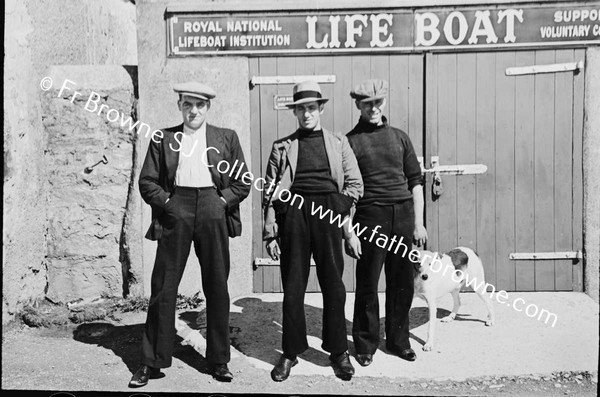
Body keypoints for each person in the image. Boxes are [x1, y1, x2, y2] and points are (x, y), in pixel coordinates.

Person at [130, 81, 251, 387]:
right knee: (163, 286)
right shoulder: (164, 138)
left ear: (208, 107)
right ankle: (151, 361)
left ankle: (219, 360)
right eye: (188, 105)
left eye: (199, 105)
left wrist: (222, 201)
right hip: (177, 208)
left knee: (216, 285)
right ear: (180, 106)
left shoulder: (226, 138)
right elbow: (147, 181)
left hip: (213, 207)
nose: (193, 111)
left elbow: (243, 181)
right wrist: (168, 203)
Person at [263, 81, 363, 381]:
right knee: (293, 287)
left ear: (321, 108)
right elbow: (269, 193)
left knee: (334, 285)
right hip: (294, 216)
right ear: (295, 112)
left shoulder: (338, 142)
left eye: (311, 108)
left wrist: (338, 209)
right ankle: (291, 352)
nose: (306, 114)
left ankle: (338, 352)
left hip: (327, 215)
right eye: (300, 109)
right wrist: (270, 232)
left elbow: (355, 185)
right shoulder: (282, 146)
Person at [345, 79, 428, 367]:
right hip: (371, 218)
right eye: (367, 103)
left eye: (378, 102)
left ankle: (398, 341)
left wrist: (419, 223)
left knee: (402, 282)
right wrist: (349, 231)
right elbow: (347, 192)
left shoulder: (400, 137)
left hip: (403, 216)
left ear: (384, 103)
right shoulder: (350, 141)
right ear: (358, 105)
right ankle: (365, 344)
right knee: (367, 282)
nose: (373, 108)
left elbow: (416, 183)